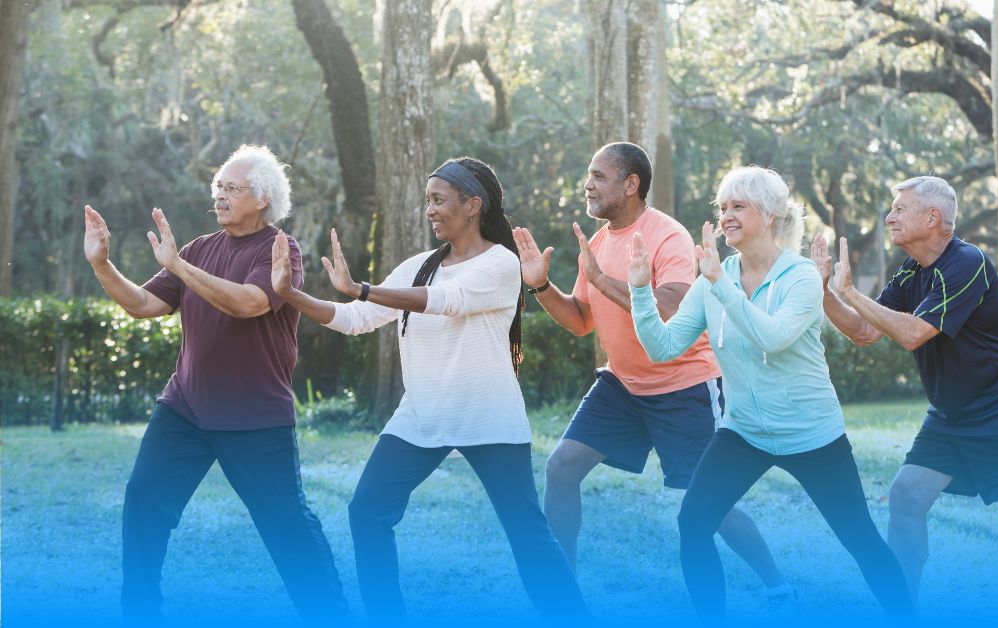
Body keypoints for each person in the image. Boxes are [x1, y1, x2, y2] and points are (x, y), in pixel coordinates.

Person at [269, 157, 589, 624]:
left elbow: (446, 302)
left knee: (527, 535)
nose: (430, 210)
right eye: (427, 201)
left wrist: (362, 287)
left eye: (439, 200)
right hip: (421, 417)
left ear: (472, 205)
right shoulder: (420, 266)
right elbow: (357, 320)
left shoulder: (501, 264)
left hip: (488, 419)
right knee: (367, 513)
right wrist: (293, 295)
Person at [513, 142, 795, 611]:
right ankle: (562, 600)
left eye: (598, 175)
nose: (588, 184)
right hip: (622, 384)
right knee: (561, 468)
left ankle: (776, 585)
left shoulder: (666, 235)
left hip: (683, 386)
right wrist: (541, 286)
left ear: (630, 184)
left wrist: (604, 281)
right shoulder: (600, 244)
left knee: (709, 503)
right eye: (590, 174)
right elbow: (582, 320)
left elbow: (674, 307)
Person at [626, 166, 915, 623]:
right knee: (693, 523)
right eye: (722, 208)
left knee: (859, 539)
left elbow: (772, 338)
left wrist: (720, 285)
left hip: (813, 435)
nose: (726, 217)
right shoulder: (711, 279)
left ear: (771, 214)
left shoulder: (800, 277)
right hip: (745, 432)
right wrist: (641, 290)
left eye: (738, 206)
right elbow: (663, 347)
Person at [83, 144, 352, 624]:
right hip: (185, 408)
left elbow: (249, 303)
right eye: (218, 188)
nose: (220, 195)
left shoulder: (279, 248)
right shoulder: (199, 248)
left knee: (286, 524)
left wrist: (179, 268)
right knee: (144, 498)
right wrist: (102, 264)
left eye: (232, 188)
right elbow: (144, 305)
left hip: (254, 416)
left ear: (263, 198)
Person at [813, 175, 998, 615]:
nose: (889, 217)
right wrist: (825, 291)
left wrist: (848, 291)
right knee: (906, 496)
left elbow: (911, 335)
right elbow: (866, 331)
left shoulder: (967, 262)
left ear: (933, 217)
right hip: (951, 414)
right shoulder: (910, 272)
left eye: (900, 209)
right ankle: (903, 612)